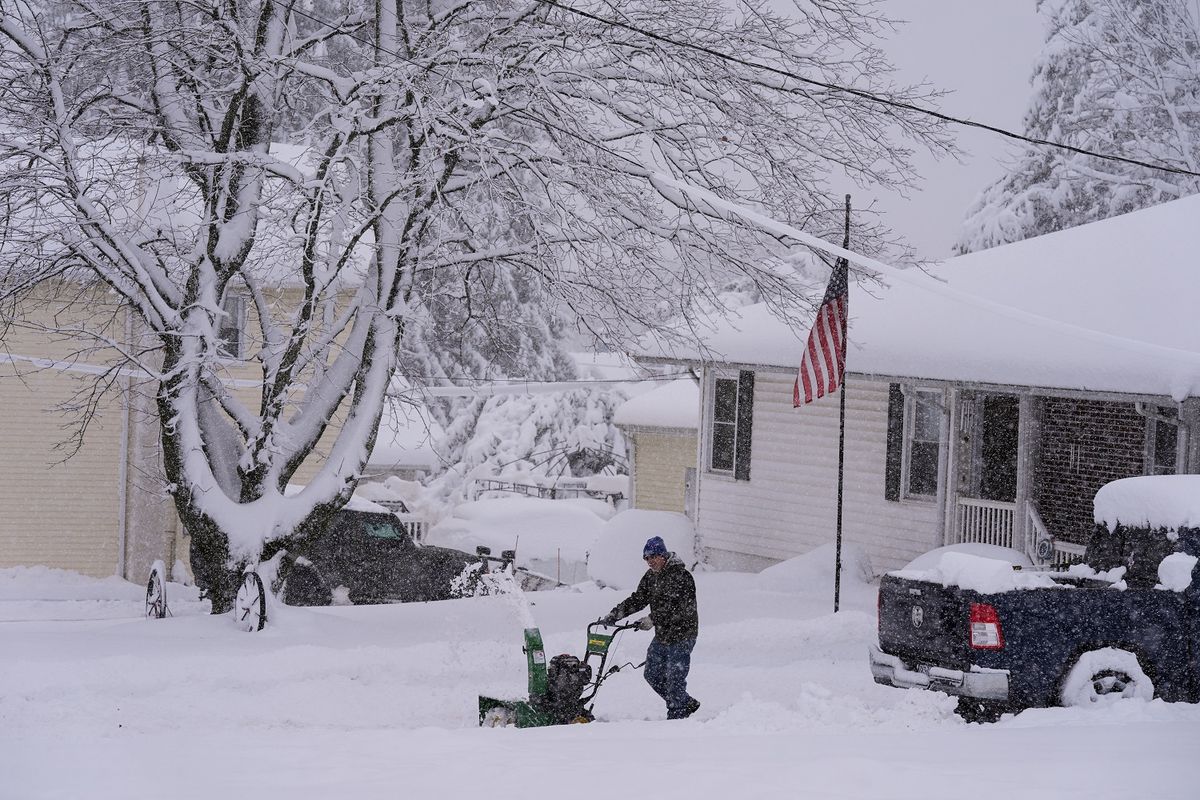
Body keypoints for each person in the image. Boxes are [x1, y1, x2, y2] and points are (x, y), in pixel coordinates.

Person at [600, 536, 701, 720]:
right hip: (662, 634)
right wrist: (615, 615)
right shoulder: (651, 577)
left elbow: (675, 607)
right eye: (647, 559)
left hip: (683, 633)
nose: (650, 562)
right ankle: (684, 702)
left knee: (674, 678)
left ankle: (676, 717)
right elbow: (638, 599)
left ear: (663, 555)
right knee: (652, 674)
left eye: (653, 557)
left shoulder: (681, 576)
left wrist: (652, 619)